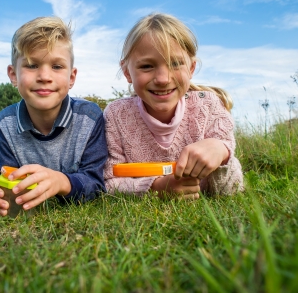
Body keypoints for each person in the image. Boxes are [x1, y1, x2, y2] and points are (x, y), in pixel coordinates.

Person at [103, 13, 244, 199]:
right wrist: (156, 187)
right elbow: (109, 183)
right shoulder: (116, 115)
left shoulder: (209, 106)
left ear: (191, 68)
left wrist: (221, 152)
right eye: (146, 66)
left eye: (176, 64)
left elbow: (232, 190)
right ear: (127, 72)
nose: (163, 79)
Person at [0, 16, 108, 217]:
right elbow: (3, 177)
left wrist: (62, 182)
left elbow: (97, 184)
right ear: (13, 75)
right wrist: (0, 196)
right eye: (32, 65)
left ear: (71, 77)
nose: (44, 76)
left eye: (57, 66)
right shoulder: (5, 123)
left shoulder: (90, 117)